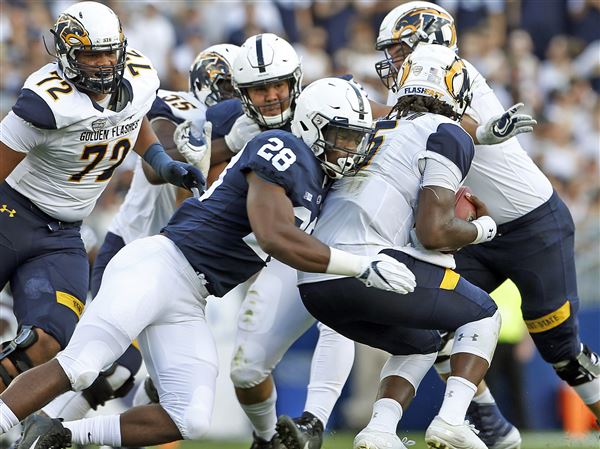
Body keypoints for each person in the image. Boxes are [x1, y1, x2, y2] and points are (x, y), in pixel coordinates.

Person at [0, 77, 417, 449]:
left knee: (190, 418)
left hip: (192, 295)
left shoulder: (318, 178)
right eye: (341, 135)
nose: (349, 147)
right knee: (84, 365)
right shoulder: (284, 147)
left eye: (355, 137)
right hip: (159, 266)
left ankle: (60, 433)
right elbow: (274, 235)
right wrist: (359, 266)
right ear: (312, 125)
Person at [374, 1, 600, 447]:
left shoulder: (454, 73)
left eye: (399, 49)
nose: (392, 60)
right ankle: (489, 421)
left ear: (427, 44)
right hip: (480, 231)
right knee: (427, 323)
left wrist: (482, 131)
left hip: (535, 224)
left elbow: (450, 118)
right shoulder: (411, 88)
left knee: (561, 351)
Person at [279, 43, 499, 449]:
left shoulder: (372, 125)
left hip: (317, 282)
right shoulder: (446, 132)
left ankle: (379, 430)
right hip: (369, 265)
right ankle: (451, 419)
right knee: (484, 315)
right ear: (455, 90)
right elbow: (433, 231)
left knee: (424, 337)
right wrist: (481, 229)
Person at [0, 0, 203, 396]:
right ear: (66, 54)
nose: (104, 63)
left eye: (110, 52)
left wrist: (160, 162)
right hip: (10, 215)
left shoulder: (140, 77)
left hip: (61, 236)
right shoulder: (46, 102)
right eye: (92, 54)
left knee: (47, 342)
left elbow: (132, 117)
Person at [35, 43, 239, 427]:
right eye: (227, 84)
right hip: (131, 249)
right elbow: (155, 161)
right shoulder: (181, 108)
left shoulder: (248, 135)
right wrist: (224, 144)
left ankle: (49, 430)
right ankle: (37, 425)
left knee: (129, 372)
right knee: (110, 364)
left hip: (177, 265)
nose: (233, 94)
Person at [182, 34, 358, 449]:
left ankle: (315, 424)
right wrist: (197, 155)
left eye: (280, 84)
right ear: (242, 95)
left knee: (343, 312)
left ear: (296, 80)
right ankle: (266, 439)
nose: (273, 96)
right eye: (260, 89)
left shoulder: (325, 100)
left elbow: (378, 122)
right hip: (283, 244)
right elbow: (201, 169)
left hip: (338, 226)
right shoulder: (238, 124)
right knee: (245, 370)